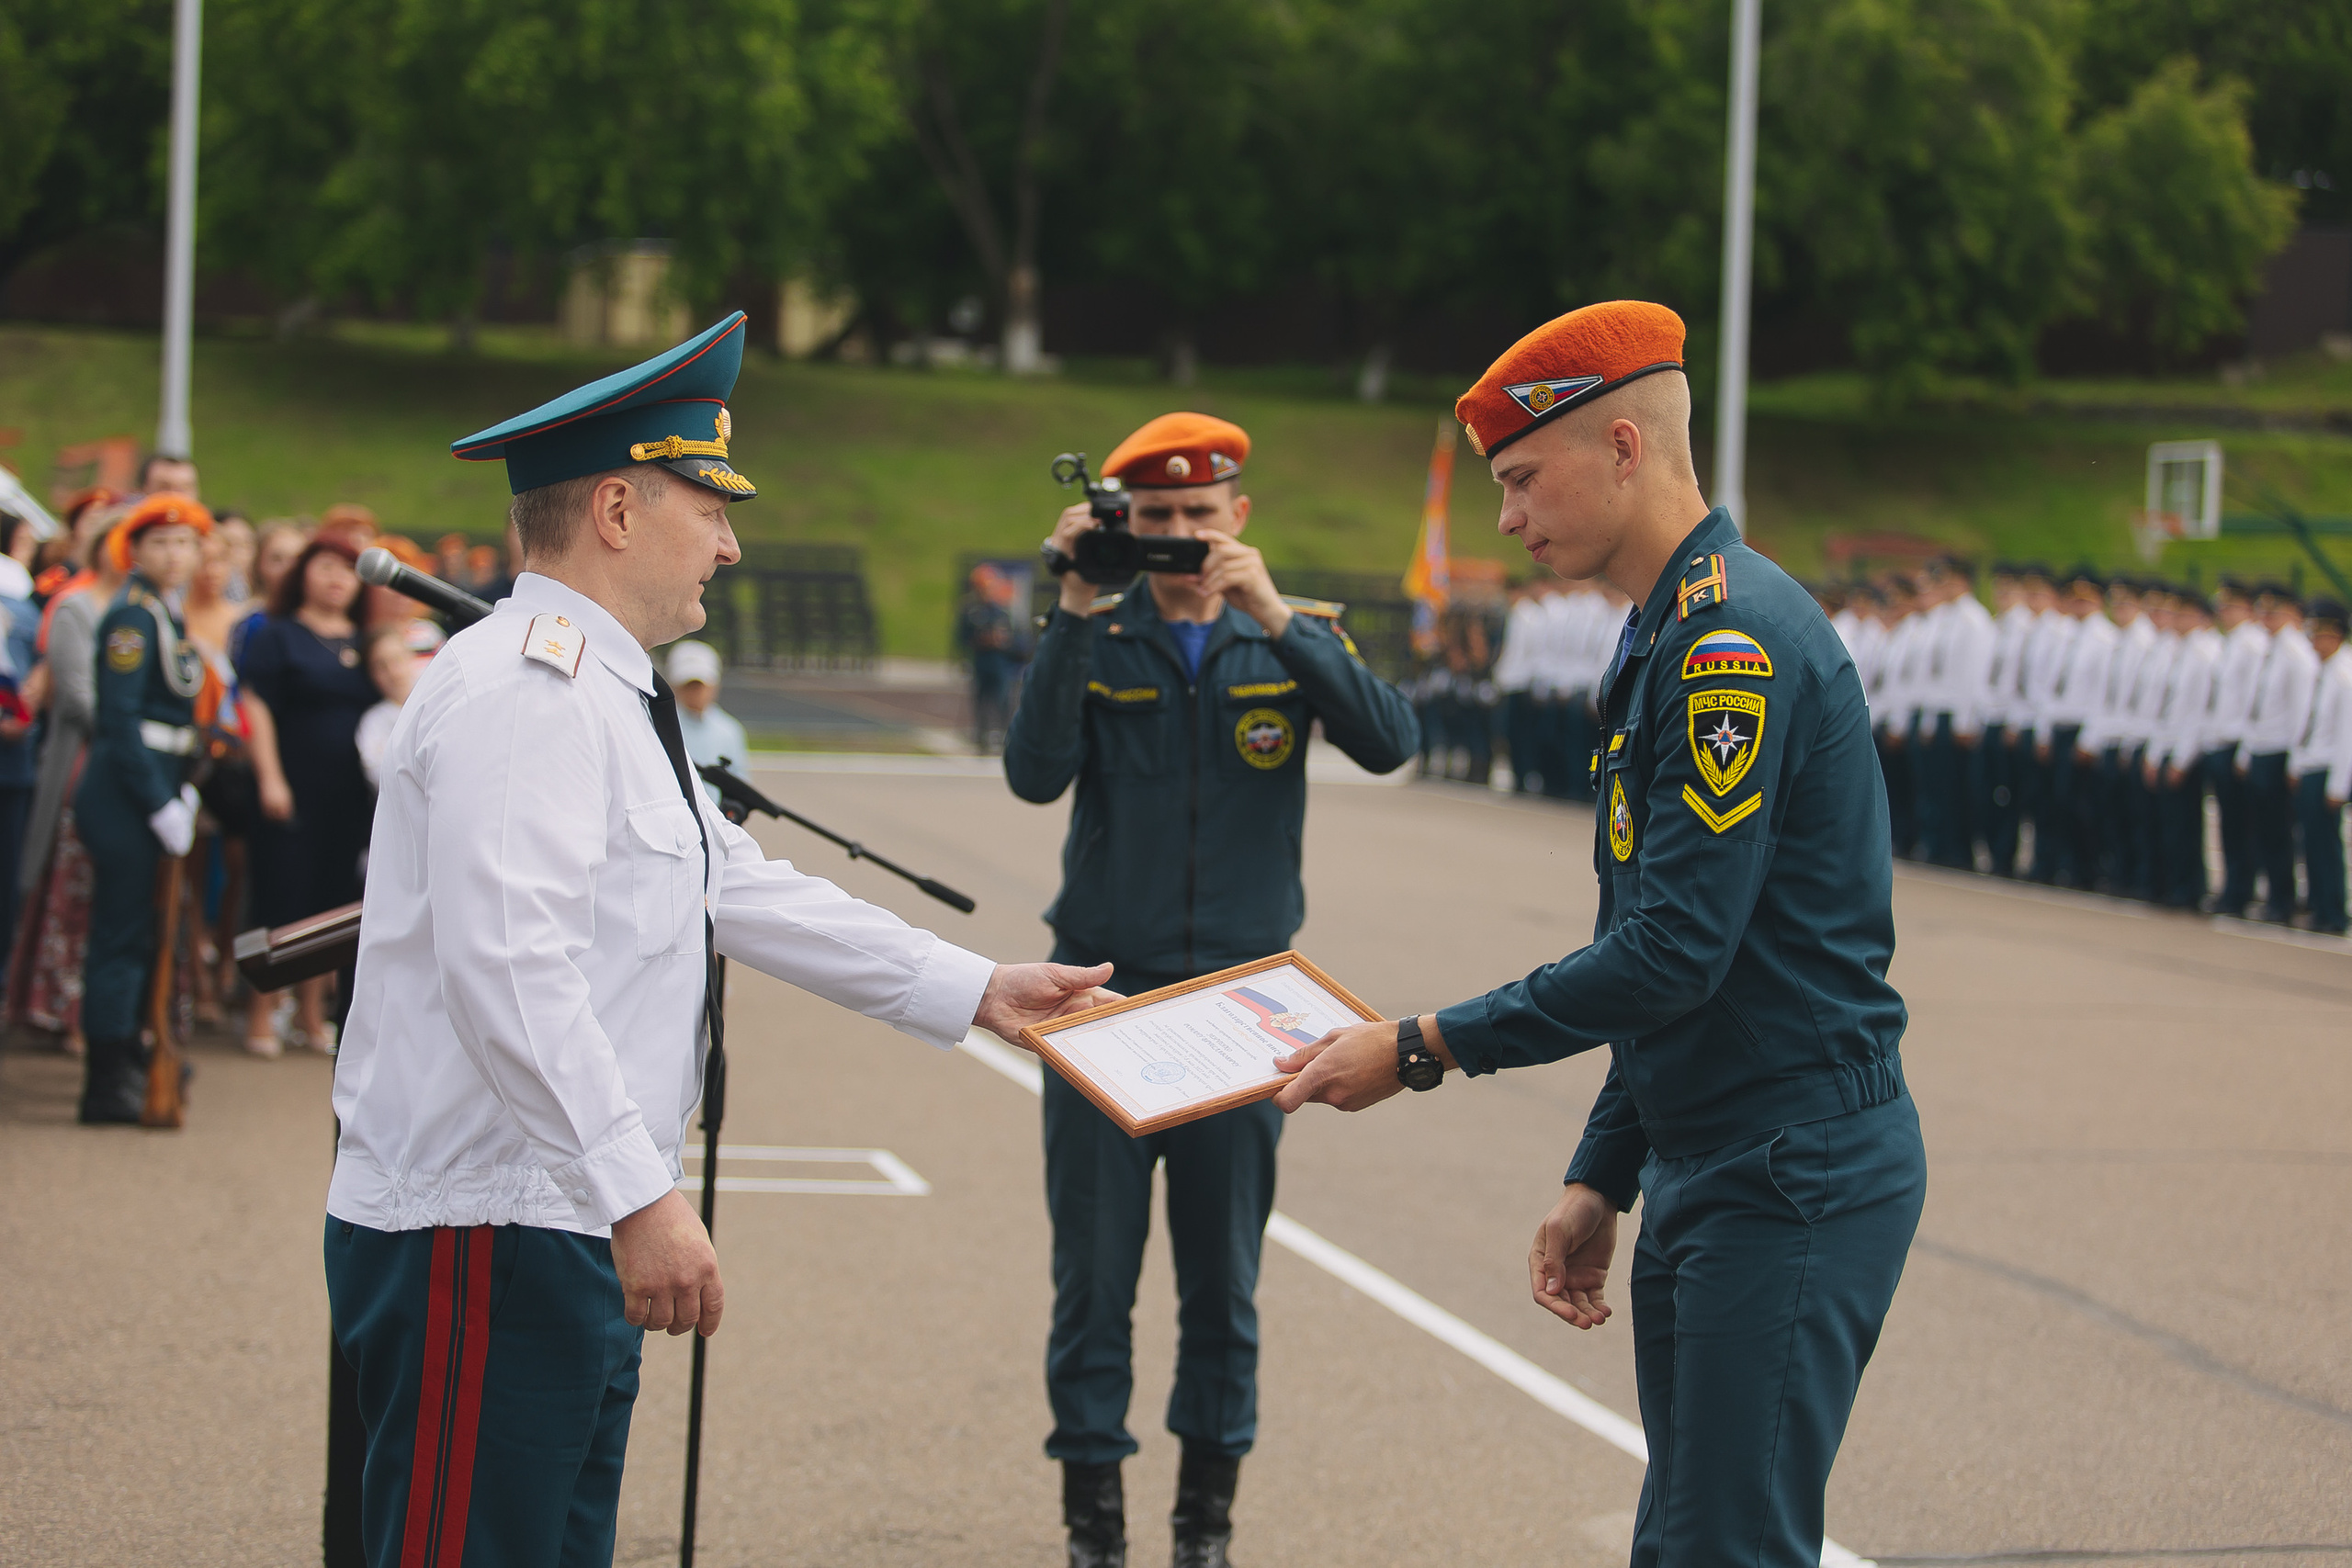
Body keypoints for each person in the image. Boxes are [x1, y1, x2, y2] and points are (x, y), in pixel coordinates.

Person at [327, 311, 1110, 1568]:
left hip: (560, 1211)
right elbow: (508, 967)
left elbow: (728, 882)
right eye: (712, 505)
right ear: (622, 510)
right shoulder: (526, 692)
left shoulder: (600, 684)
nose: (733, 542)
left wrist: (974, 986)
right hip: (491, 1222)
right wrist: (641, 1192)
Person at [1273, 300, 1925, 1568]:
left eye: (1521, 479)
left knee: (1727, 1545)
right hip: (1714, 1151)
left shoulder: (1727, 643)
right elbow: (1658, 950)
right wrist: (1603, 1169)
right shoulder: (1664, 633)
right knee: (1682, 1541)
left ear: (1625, 445)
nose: (1506, 518)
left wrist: (1420, 1045)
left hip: (1791, 1164)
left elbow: (1674, 952)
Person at [1003, 410, 1419, 1568]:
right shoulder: (1098, 625)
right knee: (1091, 1282)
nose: (1180, 535)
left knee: (1222, 1288)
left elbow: (1390, 744)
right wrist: (1077, 608)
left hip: (1245, 1011)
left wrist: (1276, 617)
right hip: (1109, 1004)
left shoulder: (1287, 636)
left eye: (1199, 516)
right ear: (1120, 525)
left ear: (1238, 517)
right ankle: (1094, 1532)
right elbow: (1033, 773)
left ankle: (1204, 1531)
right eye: (1157, 519)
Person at [74, 494, 211, 1122]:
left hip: (157, 786)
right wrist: (159, 800)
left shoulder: (166, 614)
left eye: (184, 543)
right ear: (135, 551)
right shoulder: (131, 618)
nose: (174, 554)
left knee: (148, 933)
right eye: (160, 543)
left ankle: (132, 1051)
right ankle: (106, 1080)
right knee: (122, 934)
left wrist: (181, 784)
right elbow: (120, 721)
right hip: (126, 795)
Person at [238, 534, 380, 1054]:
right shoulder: (278, 635)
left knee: (335, 902)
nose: (337, 579)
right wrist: (270, 777)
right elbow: (256, 706)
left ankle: (311, 1015)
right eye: (326, 566)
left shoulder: (367, 641)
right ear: (303, 573)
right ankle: (260, 1013)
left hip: (350, 796)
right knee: (282, 891)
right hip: (291, 784)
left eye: (348, 569)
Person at [2242, 582, 2317, 923]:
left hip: (2280, 753)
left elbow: (2300, 713)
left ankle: (2284, 900)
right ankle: (2274, 895)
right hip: (2262, 748)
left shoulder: (2296, 653)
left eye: (2274, 612)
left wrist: (2294, 761)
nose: (2266, 618)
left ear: (2290, 613)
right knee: (2265, 830)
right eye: (2263, 611)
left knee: (2280, 831)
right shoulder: (2269, 650)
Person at [2207, 579, 2269, 915]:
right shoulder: (2231, 643)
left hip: (2239, 743)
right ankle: (2233, 888)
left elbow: (2251, 704)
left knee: (2243, 826)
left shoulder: (2253, 645)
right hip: (2223, 740)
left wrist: (2245, 748)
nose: (2224, 613)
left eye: (2230, 606)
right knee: (2229, 825)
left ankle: (2242, 891)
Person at [2292, 598, 2349, 934]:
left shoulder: (2344, 675)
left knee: (2327, 845)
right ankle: (2318, 906)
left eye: (2319, 635)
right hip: (2312, 765)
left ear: (2336, 635)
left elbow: (2347, 737)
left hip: (2329, 769)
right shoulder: (2323, 671)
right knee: (2311, 842)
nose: (2314, 642)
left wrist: (2338, 786)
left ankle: (2333, 911)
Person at [665, 638, 749, 802]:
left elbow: (741, 783)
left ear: (714, 685)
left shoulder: (730, 731)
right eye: (688, 685)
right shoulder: (661, 727)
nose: (695, 692)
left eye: (699, 685)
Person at [956, 564, 1021, 752]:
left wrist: (1003, 641)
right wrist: (981, 640)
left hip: (1000, 662)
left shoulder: (1001, 612)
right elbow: (963, 638)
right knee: (981, 698)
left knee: (1003, 698)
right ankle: (981, 735)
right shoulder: (971, 611)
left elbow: (1016, 639)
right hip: (981, 661)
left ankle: (1004, 734)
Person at [355, 625, 423, 787]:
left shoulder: (436, 700)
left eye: (397, 659)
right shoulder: (373, 722)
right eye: (381, 666)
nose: (393, 672)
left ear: (410, 657)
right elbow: (379, 774)